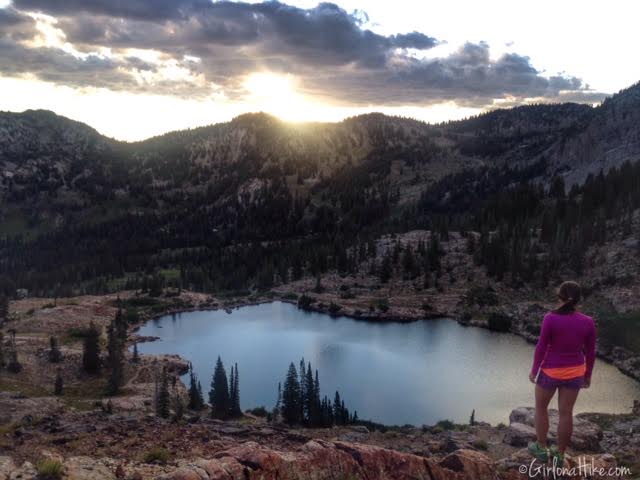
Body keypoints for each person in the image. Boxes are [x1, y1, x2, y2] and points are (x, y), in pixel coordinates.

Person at [527, 281, 596, 466]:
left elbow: (541, 346)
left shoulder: (550, 318)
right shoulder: (588, 322)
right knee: (566, 413)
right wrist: (587, 375)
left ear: (560, 296)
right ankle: (559, 455)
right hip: (575, 373)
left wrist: (534, 370)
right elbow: (591, 352)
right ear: (578, 299)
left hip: (550, 370)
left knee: (541, 408)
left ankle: (541, 449)